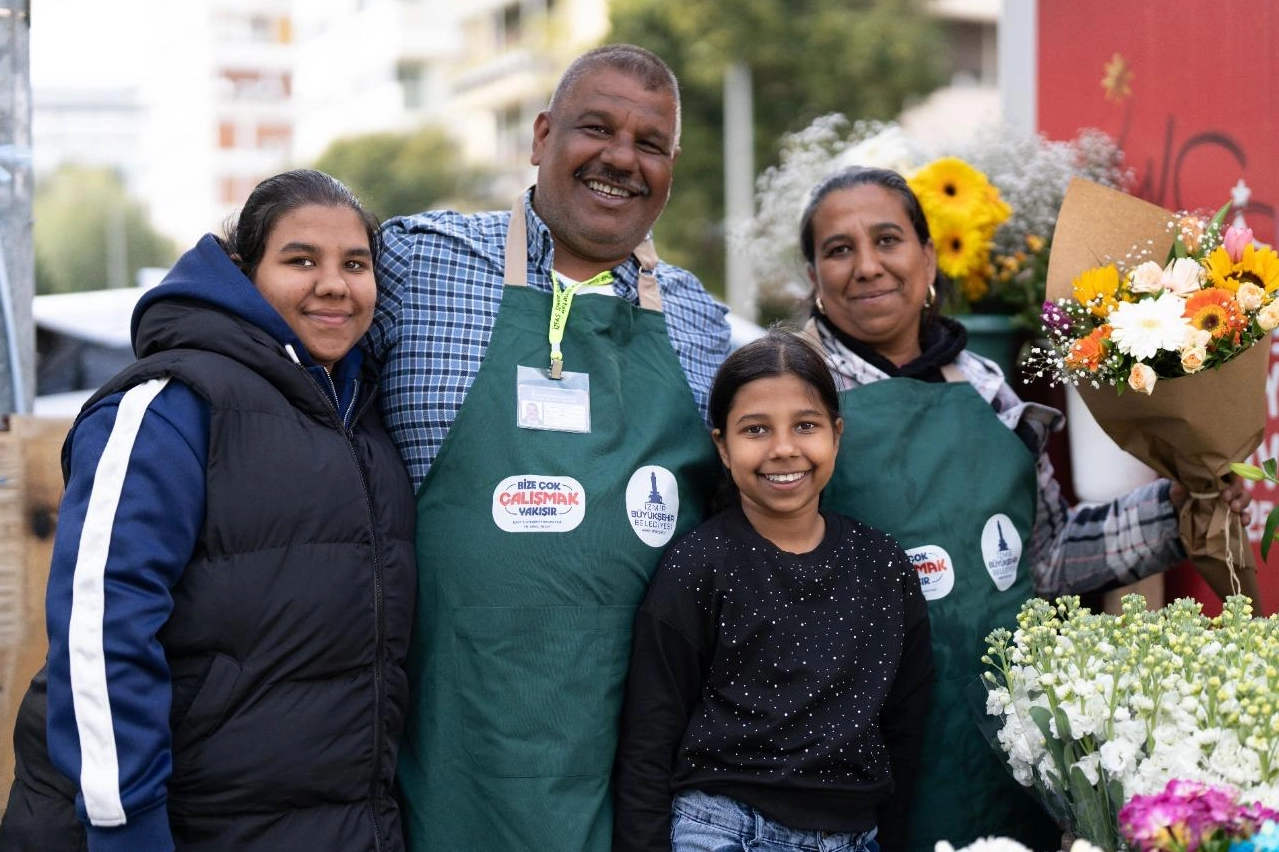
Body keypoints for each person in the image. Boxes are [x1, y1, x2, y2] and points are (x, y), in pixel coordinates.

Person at [796, 165, 1254, 852]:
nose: (865, 266)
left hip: (1010, 749)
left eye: (886, 240)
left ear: (926, 259)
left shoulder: (985, 388)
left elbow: (1044, 558)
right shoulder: (793, 393)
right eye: (838, 249)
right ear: (813, 275)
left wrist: (1179, 505)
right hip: (864, 750)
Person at [365, 44, 731, 852]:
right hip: (443, 757)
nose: (620, 159)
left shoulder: (703, 323)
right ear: (539, 136)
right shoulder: (416, 262)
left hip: (628, 774)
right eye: (595, 128)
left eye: (650, 144)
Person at [0, 170, 417, 852]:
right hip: (180, 828)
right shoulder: (169, 404)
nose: (334, 284)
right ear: (240, 270)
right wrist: (125, 828)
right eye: (300, 260)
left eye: (355, 264)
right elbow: (101, 635)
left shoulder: (366, 422)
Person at [612, 329, 933, 852]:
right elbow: (650, 735)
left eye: (805, 426)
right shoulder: (698, 564)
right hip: (725, 830)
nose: (784, 449)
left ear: (836, 432)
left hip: (853, 836)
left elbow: (906, 725)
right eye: (755, 429)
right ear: (722, 445)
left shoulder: (884, 567)